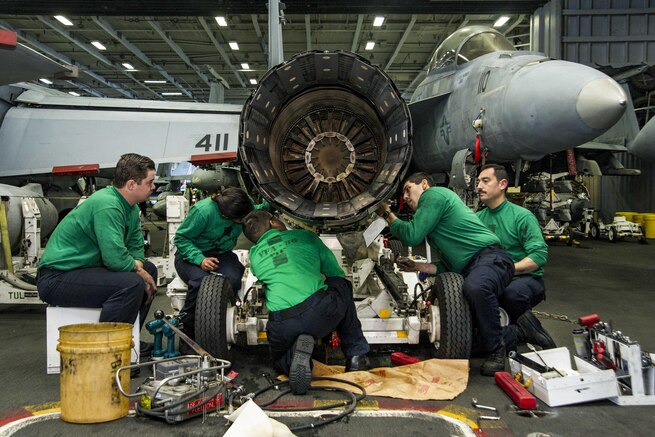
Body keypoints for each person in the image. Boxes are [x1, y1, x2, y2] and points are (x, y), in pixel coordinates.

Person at [376, 172, 514, 376]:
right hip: (473, 265)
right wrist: (417, 267)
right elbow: (447, 267)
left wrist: (387, 213)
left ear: (424, 184)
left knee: (476, 287)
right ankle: (517, 332)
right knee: (468, 335)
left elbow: (412, 235)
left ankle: (496, 351)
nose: (405, 196)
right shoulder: (437, 222)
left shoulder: (434, 195)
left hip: (490, 258)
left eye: (408, 189)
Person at [242, 210, 370, 395]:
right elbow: (335, 273)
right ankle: (356, 354)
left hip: (281, 324)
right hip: (317, 312)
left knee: (279, 361)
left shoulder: (254, 255)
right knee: (341, 284)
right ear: (273, 222)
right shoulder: (304, 236)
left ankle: (296, 356)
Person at [37, 153, 158, 333]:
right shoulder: (108, 204)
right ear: (132, 184)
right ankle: (107, 349)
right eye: (149, 182)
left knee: (149, 271)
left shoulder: (130, 207)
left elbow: (135, 246)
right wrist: (137, 270)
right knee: (132, 283)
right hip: (57, 278)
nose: (153, 186)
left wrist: (139, 266)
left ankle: (128, 343)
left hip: (84, 269)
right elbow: (114, 258)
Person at [476, 164, 556, 352]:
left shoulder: (521, 216)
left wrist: (507, 270)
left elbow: (539, 256)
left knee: (510, 294)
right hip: (492, 282)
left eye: (485, 181)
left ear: (503, 184)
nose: (479, 186)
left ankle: (527, 329)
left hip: (524, 281)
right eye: (478, 181)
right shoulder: (476, 219)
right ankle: (520, 332)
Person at [173, 187, 253, 345]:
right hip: (191, 255)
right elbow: (181, 239)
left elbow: (261, 208)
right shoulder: (203, 212)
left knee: (234, 279)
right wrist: (200, 259)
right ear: (227, 215)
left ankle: (218, 322)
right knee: (202, 283)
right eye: (240, 219)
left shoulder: (243, 207)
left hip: (221, 254)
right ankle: (188, 333)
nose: (244, 221)